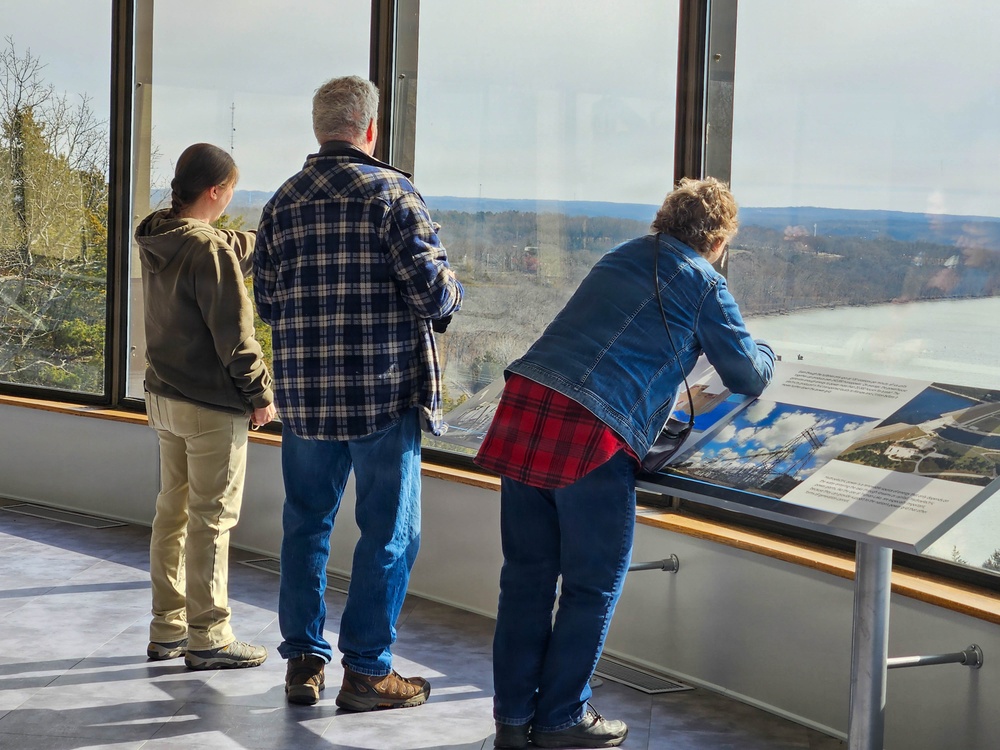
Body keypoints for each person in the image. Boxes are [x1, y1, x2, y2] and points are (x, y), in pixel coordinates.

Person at [475, 177, 776, 749]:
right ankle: (561, 717)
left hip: (527, 406)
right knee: (592, 585)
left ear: (665, 219)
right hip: (592, 431)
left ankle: (513, 721)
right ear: (719, 240)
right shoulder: (705, 281)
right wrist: (770, 352)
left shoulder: (621, 255)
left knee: (526, 580)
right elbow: (745, 373)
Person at [253, 75, 463, 709]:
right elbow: (435, 297)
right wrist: (450, 281)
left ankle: (302, 664)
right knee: (389, 534)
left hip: (306, 399)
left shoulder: (281, 202)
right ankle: (369, 671)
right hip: (380, 394)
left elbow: (266, 301)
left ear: (321, 130)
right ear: (369, 129)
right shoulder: (394, 196)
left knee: (305, 526)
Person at [136, 142, 277, 670]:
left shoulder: (159, 232)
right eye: (230, 193)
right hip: (209, 406)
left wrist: (261, 240)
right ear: (216, 191)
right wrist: (260, 395)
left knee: (171, 512)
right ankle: (210, 636)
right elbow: (236, 337)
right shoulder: (206, 250)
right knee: (211, 520)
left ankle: (167, 628)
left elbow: (215, 243)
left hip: (164, 397)